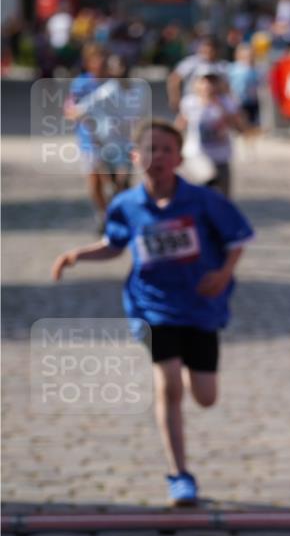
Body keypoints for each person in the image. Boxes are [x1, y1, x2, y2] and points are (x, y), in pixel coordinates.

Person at [51, 120, 254, 506]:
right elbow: (113, 245)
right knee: (169, 386)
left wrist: (223, 272)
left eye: (165, 149)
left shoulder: (204, 200)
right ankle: (179, 474)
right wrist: (78, 255)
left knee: (205, 396)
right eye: (149, 149)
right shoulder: (126, 204)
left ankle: (183, 455)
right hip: (152, 307)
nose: (157, 156)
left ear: (178, 158)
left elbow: (239, 238)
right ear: (135, 156)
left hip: (200, 308)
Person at [65, 53, 143, 232]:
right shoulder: (108, 90)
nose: (121, 69)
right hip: (108, 145)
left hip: (128, 143)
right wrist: (93, 130)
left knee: (124, 183)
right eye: (116, 66)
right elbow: (77, 111)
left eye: (123, 65)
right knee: (113, 184)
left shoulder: (137, 89)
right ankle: (111, 218)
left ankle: (121, 218)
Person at [176, 72, 244, 198]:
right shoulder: (190, 103)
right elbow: (180, 126)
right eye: (204, 81)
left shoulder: (227, 102)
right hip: (198, 155)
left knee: (224, 198)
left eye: (212, 82)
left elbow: (240, 127)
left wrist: (221, 108)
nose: (208, 86)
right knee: (204, 191)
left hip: (222, 155)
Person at [66, 43, 109, 231]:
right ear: (88, 63)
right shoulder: (81, 83)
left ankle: (114, 212)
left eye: (103, 59)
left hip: (113, 139)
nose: (100, 63)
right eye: (96, 59)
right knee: (94, 180)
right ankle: (103, 214)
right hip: (89, 139)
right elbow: (70, 109)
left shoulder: (115, 82)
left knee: (114, 180)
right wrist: (81, 114)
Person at [167, 35, 228, 112]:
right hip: (193, 103)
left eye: (212, 49)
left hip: (215, 106)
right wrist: (175, 98)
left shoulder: (221, 66)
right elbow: (174, 80)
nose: (209, 51)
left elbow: (225, 87)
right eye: (206, 47)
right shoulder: (191, 63)